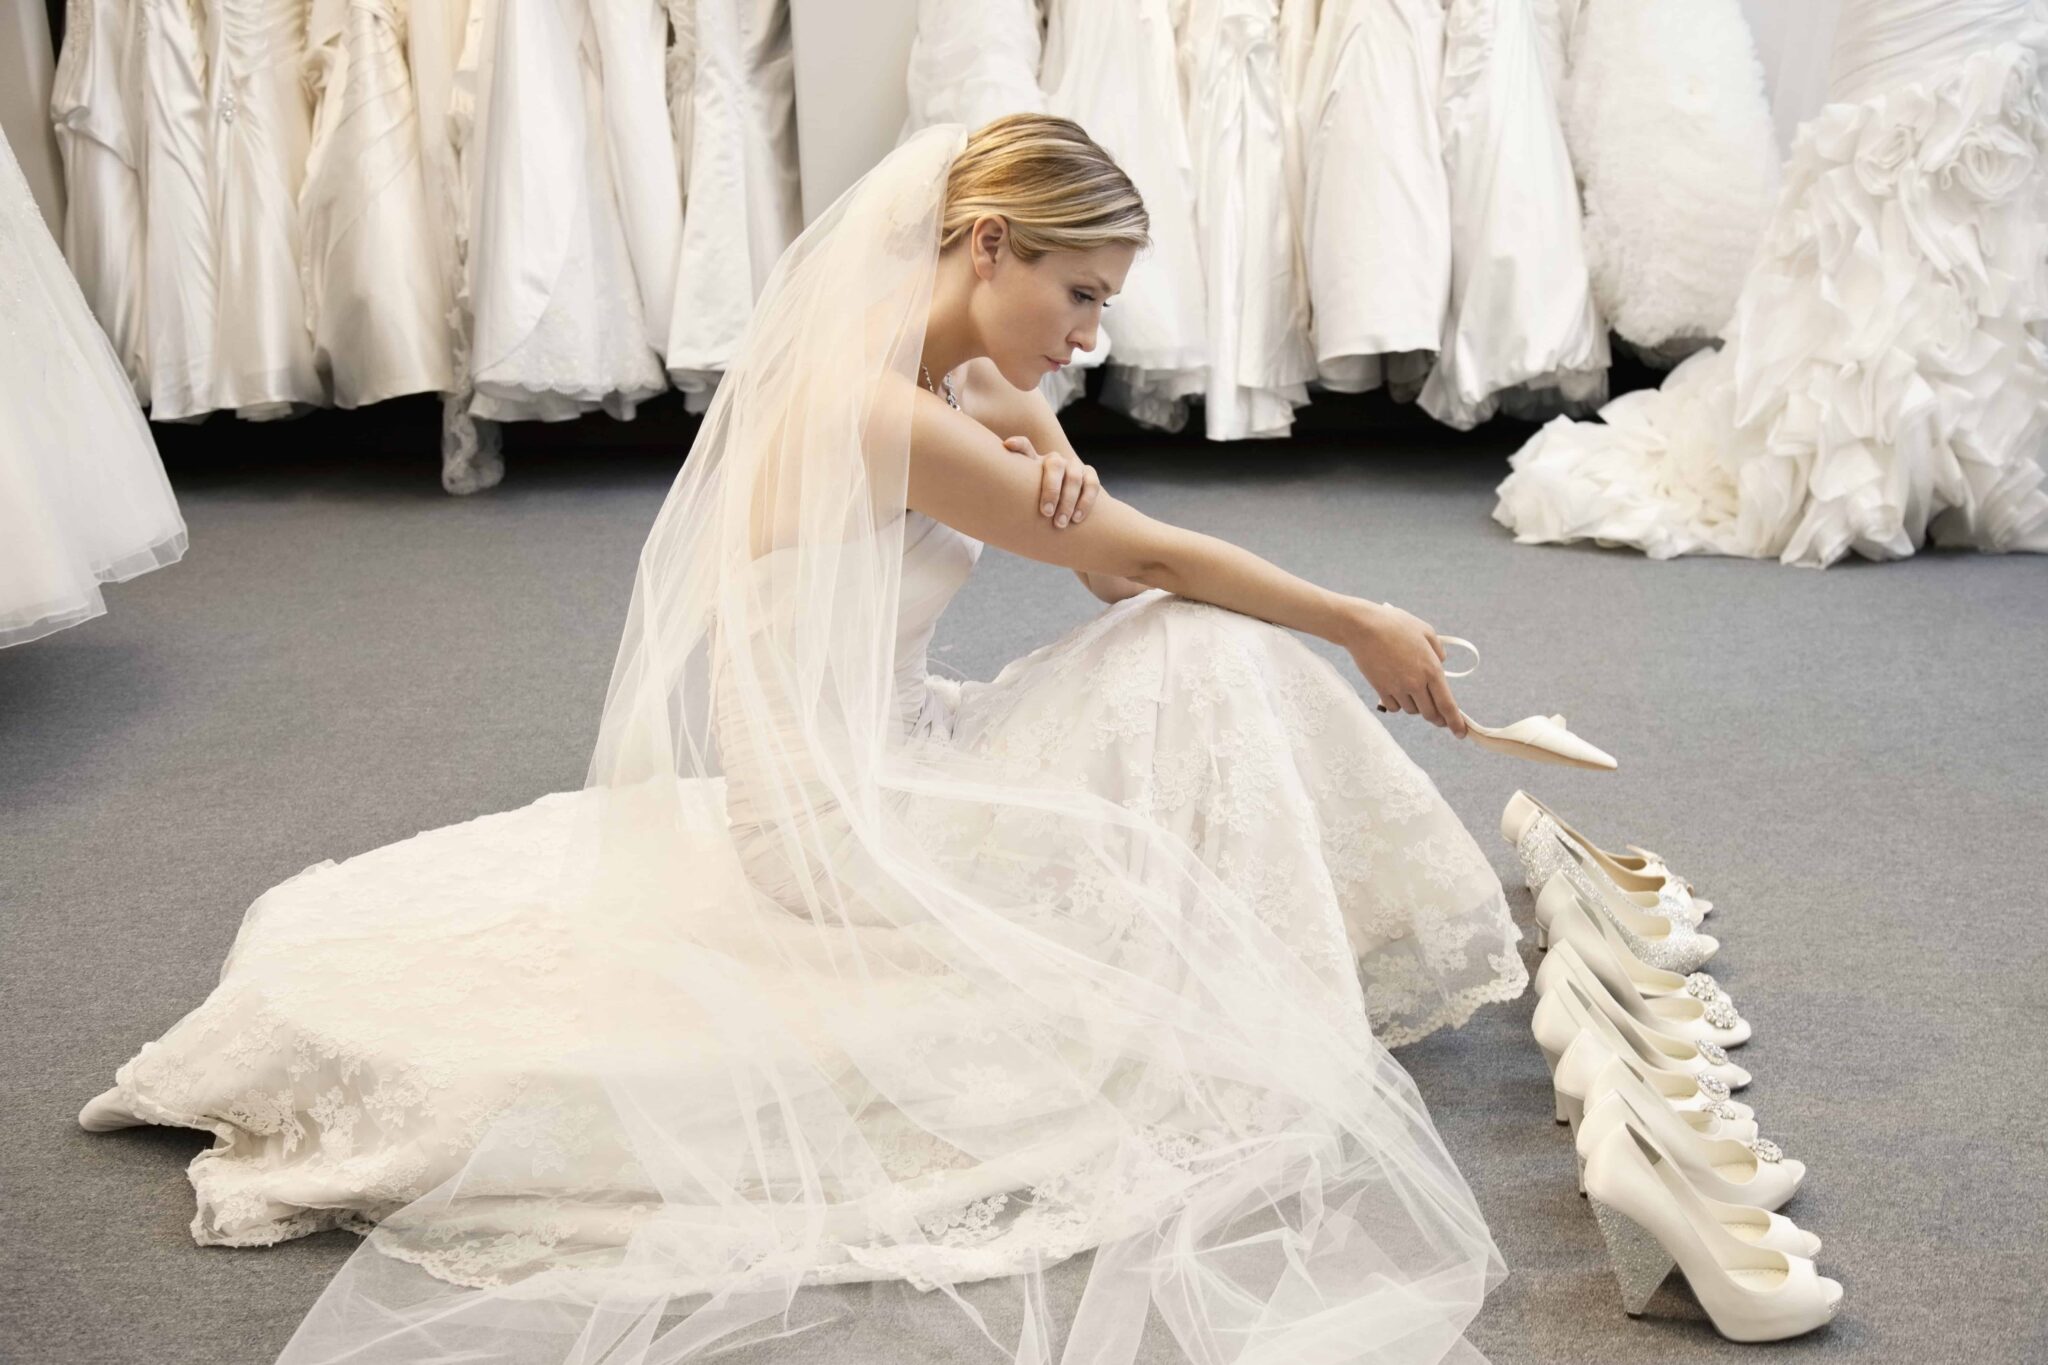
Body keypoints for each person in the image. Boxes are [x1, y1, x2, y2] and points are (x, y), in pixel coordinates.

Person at [81, 116, 1523, 1365]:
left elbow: (1035, 445)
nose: (1088, 336)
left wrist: (1056, 443)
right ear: (982, 244)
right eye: (1076, 293)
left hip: (885, 742)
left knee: (1187, 657)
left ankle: (1329, 929)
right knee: (1197, 646)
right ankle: (1341, 929)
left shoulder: (909, 352)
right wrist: (1355, 618)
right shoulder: (880, 409)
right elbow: (1129, 559)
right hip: (845, 817)